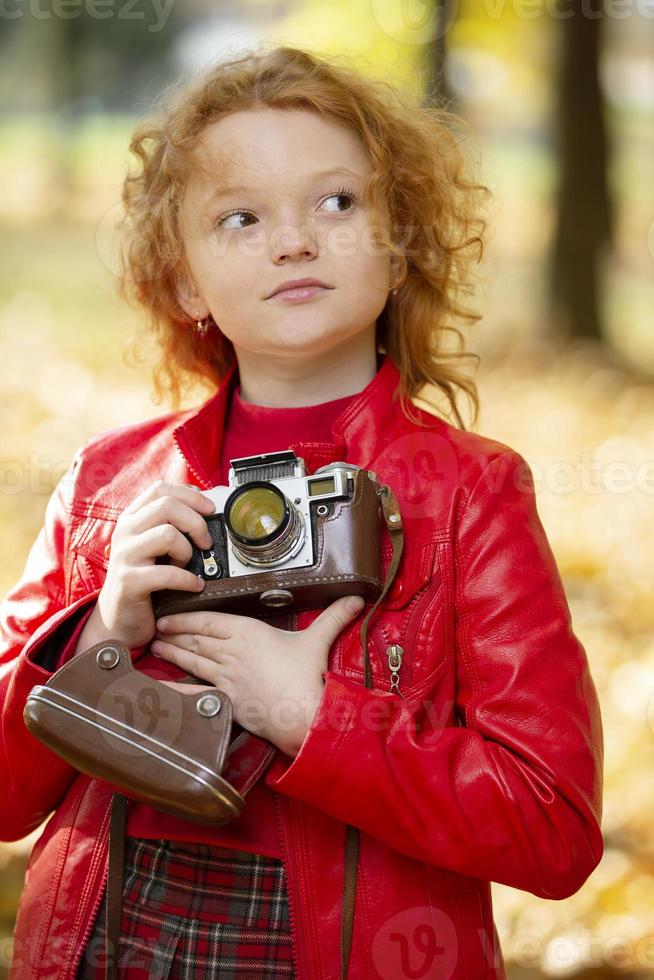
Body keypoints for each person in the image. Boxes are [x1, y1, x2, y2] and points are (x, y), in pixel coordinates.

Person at [0, 44, 604, 980]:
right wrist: (99, 635)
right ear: (185, 282)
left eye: (338, 203)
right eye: (240, 217)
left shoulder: (467, 495)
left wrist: (313, 716)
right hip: (113, 938)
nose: (294, 241)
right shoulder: (111, 485)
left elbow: (551, 826)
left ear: (401, 243)